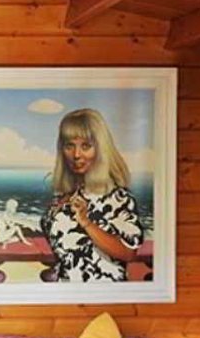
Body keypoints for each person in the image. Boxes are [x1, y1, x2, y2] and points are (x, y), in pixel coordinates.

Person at [41, 108, 143, 282]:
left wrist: (86, 222)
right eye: (69, 146)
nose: (76, 155)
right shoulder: (66, 195)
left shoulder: (117, 197)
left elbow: (129, 253)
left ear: (101, 149)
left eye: (86, 146)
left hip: (103, 291)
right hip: (67, 290)